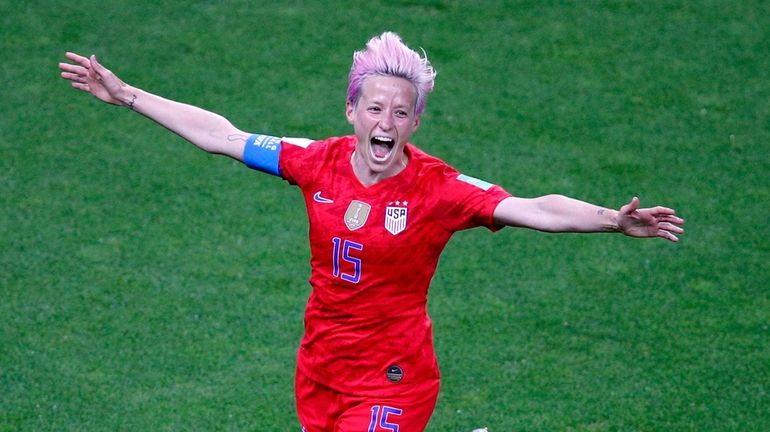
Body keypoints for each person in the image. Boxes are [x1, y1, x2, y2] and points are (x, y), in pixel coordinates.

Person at [59, 31, 684, 432]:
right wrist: (128, 95)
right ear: (353, 113)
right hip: (320, 369)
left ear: (415, 123)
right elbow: (220, 136)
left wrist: (611, 219)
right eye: (376, 108)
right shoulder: (314, 160)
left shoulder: (440, 188)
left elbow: (535, 209)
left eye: (402, 111)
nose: (387, 121)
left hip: (395, 377)